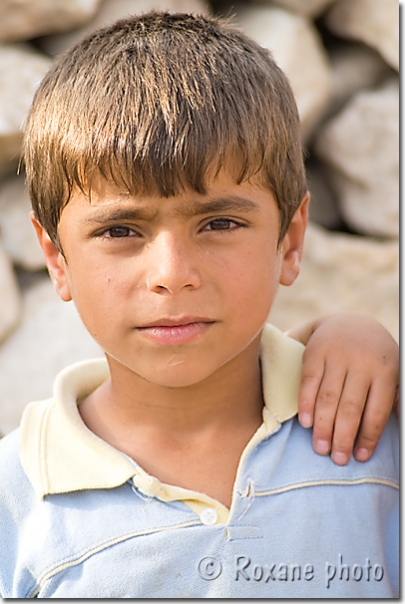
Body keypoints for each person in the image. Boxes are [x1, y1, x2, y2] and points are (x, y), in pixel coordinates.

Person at [0, 11, 398, 598]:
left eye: (218, 222)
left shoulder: (374, 428)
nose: (172, 275)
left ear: (290, 241)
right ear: (57, 260)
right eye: (119, 231)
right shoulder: (19, 500)